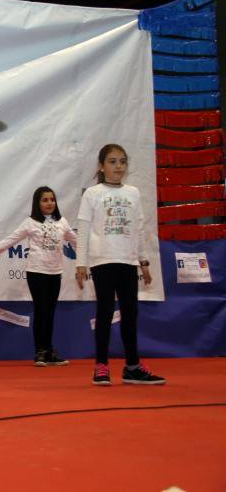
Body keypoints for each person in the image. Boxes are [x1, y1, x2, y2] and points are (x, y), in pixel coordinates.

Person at [75, 143, 165, 386]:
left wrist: (143, 262)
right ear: (101, 166)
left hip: (128, 260)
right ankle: (101, 366)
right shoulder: (92, 194)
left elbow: (138, 229)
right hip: (103, 260)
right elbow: (83, 230)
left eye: (122, 161)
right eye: (113, 161)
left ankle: (132, 367)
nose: (119, 166)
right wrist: (81, 263)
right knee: (104, 312)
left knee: (130, 313)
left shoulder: (133, 192)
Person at [0, 186, 77, 366]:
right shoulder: (30, 223)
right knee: (41, 311)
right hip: (36, 272)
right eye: (45, 200)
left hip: (55, 273)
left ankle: (49, 351)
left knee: (50, 313)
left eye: (52, 200)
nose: (49, 203)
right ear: (37, 203)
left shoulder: (62, 222)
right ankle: (40, 352)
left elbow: (76, 242)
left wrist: (91, 260)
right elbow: (10, 239)